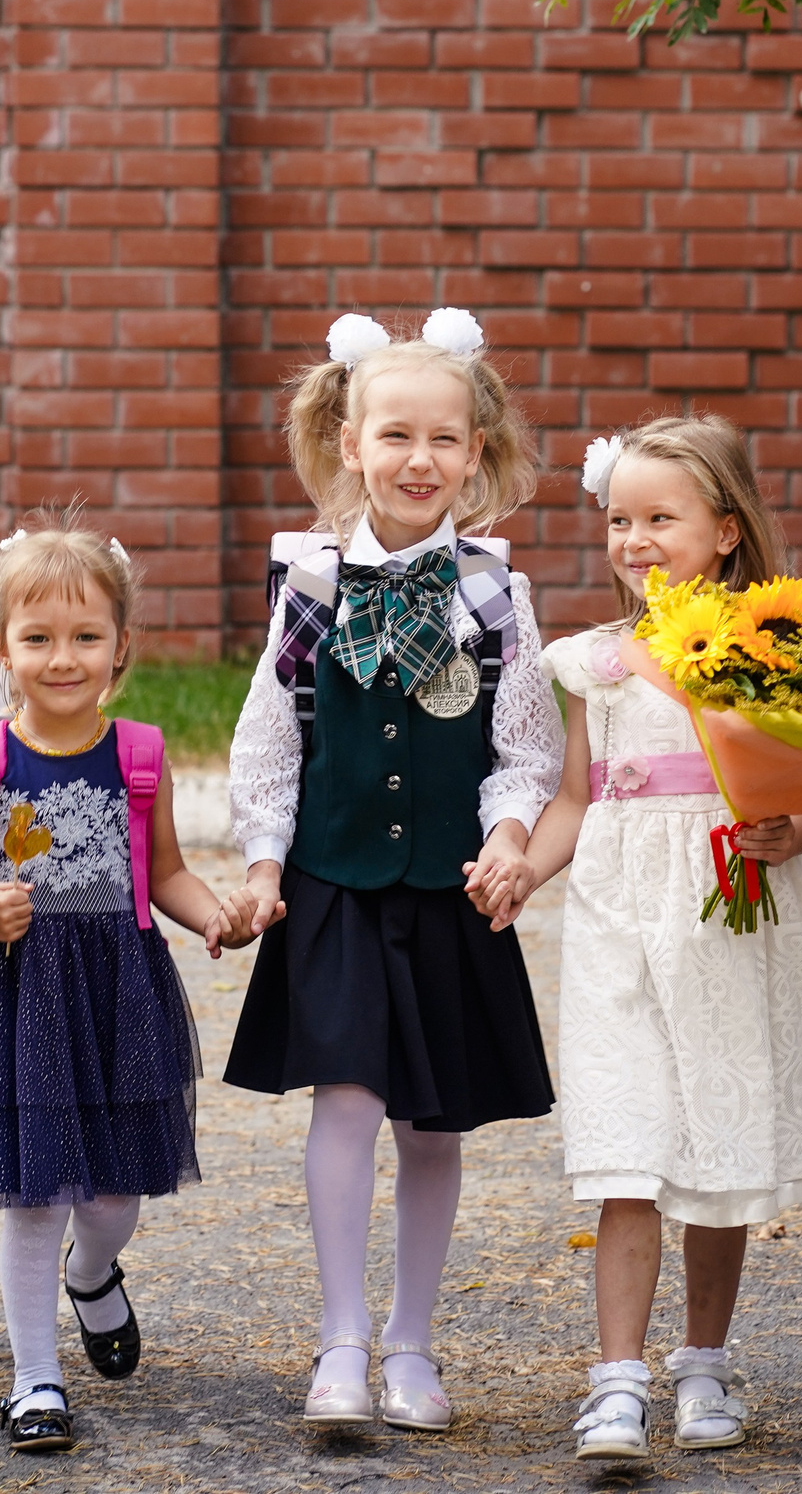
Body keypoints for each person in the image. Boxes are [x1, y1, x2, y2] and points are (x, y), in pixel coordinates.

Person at [518, 415, 802, 1460]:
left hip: (723, 910)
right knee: (625, 1146)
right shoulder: (598, 662)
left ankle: (702, 1361)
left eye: (658, 518)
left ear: (725, 532)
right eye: (616, 519)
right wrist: (521, 862)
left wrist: (796, 826)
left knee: (712, 1148)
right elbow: (571, 798)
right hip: (616, 918)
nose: (632, 540)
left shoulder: (772, 648)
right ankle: (615, 1380)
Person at [219, 308, 561, 1435]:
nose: (421, 461)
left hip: (450, 891)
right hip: (335, 887)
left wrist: (510, 835)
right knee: (349, 1098)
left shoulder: (496, 596)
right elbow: (271, 744)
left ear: (477, 452)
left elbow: (525, 752)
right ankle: (342, 1341)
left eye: (445, 441)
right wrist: (265, 860)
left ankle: (412, 1344)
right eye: (396, 437)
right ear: (349, 444)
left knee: (432, 1122)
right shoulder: (310, 587)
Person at [0, 520, 250, 1454]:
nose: (63, 658)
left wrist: (212, 911)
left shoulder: (139, 755)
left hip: (116, 995)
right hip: (19, 999)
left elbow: (166, 871)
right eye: (39, 637)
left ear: (121, 647)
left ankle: (94, 1275)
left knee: (111, 1198)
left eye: (86, 636)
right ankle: (34, 1380)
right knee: (34, 1193)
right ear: (4, 646)